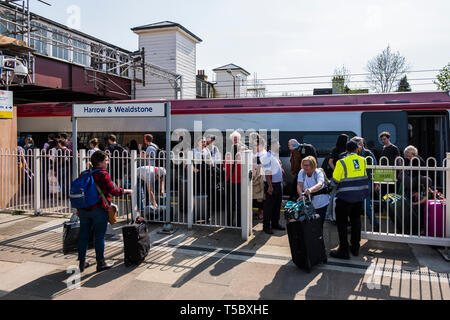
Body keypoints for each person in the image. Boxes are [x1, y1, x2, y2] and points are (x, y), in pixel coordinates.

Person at [77, 150, 133, 272]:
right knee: (99, 236)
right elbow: (114, 190)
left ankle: (82, 262)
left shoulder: (84, 173)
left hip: (83, 209)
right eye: (106, 161)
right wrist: (126, 191)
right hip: (99, 209)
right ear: (100, 162)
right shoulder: (103, 174)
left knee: (83, 235)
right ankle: (100, 262)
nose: (108, 163)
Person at [329, 141, 369, 259]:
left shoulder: (342, 162)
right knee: (356, 222)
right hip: (359, 197)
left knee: (342, 224)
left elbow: (335, 180)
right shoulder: (363, 160)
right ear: (357, 149)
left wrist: (329, 185)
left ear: (346, 150)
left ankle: (343, 250)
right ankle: (355, 248)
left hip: (345, 198)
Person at [256, 137, 285, 234]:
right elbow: (267, 172)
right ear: (271, 146)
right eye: (277, 144)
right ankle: (266, 226)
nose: (279, 146)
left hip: (278, 184)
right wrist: (270, 186)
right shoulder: (267, 156)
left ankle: (275, 223)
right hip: (271, 185)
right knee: (269, 207)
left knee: (277, 205)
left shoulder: (274, 156)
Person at [350, 136, 380, 231]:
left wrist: (376, 182)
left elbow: (375, 168)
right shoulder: (349, 154)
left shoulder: (368, 153)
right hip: (353, 181)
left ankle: (375, 225)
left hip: (366, 181)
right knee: (353, 205)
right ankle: (354, 226)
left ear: (361, 144)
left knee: (366, 205)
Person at [297, 156, 329, 228]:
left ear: (313, 165)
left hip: (321, 202)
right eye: (303, 165)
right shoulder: (302, 172)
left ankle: (318, 238)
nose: (305, 167)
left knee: (318, 224)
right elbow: (299, 185)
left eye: (307, 165)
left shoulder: (318, 172)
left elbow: (320, 184)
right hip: (308, 203)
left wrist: (310, 190)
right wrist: (300, 195)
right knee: (308, 224)